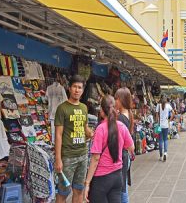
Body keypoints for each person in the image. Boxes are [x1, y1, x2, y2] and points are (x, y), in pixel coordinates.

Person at [84, 95, 134, 203]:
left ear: (102, 111)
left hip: (101, 179)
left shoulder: (100, 129)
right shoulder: (121, 126)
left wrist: (87, 183)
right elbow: (131, 147)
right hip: (117, 176)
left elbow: (95, 158)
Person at [54, 75, 93, 203]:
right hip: (68, 157)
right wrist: (58, 159)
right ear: (69, 88)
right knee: (63, 192)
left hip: (82, 155)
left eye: (80, 88)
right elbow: (58, 135)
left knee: (79, 190)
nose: (77, 90)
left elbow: (85, 128)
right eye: (75, 87)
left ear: (82, 90)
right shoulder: (62, 108)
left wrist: (92, 133)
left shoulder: (84, 108)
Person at [115, 87, 135, 203]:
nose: (115, 101)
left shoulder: (121, 118)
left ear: (121, 100)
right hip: (126, 155)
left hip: (122, 156)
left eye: (116, 99)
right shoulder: (128, 113)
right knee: (124, 187)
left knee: (122, 189)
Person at [156, 97, 172, 162]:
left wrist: (157, 121)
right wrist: (169, 120)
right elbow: (173, 112)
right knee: (165, 140)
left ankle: (160, 156)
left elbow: (156, 114)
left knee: (160, 140)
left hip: (160, 125)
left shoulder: (158, 105)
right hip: (166, 125)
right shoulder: (168, 105)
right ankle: (165, 153)